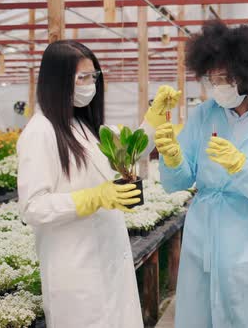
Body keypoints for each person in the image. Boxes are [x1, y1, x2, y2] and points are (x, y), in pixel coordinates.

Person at [17, 40, 180, 328]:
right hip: (75, 269)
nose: (90, 84)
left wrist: (155, 117)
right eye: (82, 78)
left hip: (108, 259)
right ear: (57, 80)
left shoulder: (83, 127)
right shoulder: (40, 131)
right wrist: (92, 198)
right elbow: (32, 207)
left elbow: (130, 151)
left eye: (93, 76)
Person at [155, 21, 248, 327]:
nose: (216, 86)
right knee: (198, 314)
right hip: (202, 235)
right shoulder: (204, 114)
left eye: (224, 78)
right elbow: (181, 181)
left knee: (245, 315)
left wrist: (242, 166)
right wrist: (172, 157)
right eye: (212, 79)